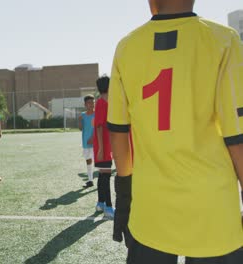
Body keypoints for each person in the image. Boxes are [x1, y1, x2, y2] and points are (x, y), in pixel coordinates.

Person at [108, 0, 243, 263]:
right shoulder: (223, 39)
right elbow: (237, 137)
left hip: (150, 206)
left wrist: (124, 195)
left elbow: (118, 132)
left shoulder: (127, 47)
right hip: (212, 208)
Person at [93, 76, 115, 219]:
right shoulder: (101, 103)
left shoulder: (108, 102)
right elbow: (99, 126)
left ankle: (100, 203)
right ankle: (108, 207)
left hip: (107, 144)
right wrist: (101, 148)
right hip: (103, 145)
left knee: (103, 174)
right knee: (106, 175)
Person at [79, 95, 95, 188]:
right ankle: (90, 180)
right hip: (86, 142)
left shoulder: (96, 114)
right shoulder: (83, 115)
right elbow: (81, 128)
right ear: (85, 104)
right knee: (88, 161)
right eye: (89, 103)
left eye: (93, 102)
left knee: (98, 161)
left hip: (95, 142)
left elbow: (97, 128)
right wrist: (80, 120)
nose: (92, 105)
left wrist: (93, 138)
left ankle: (102, 182)